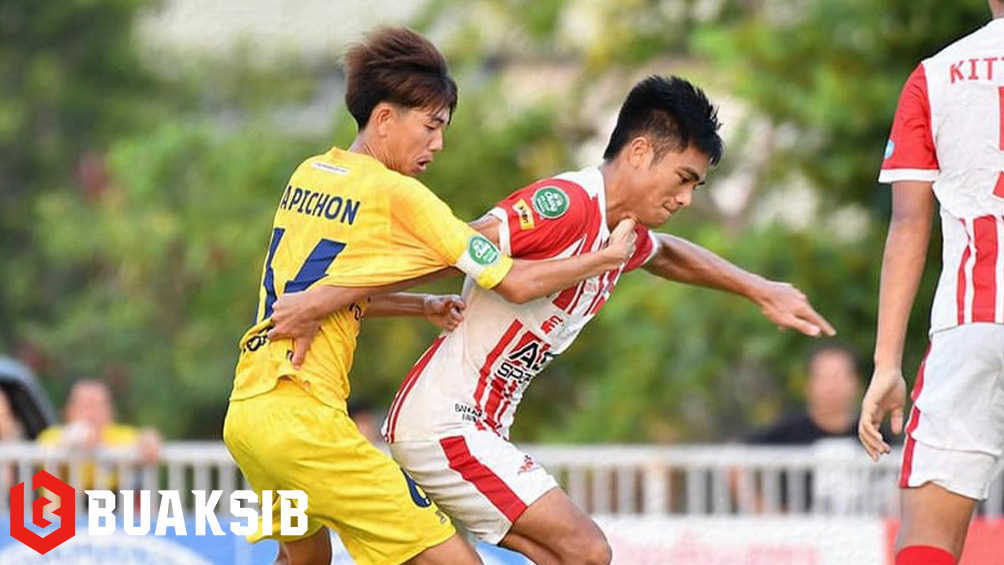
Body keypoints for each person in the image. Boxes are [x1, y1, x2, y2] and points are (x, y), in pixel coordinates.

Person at [272, 75, 836, 565]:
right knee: (586, 550)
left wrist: (759, 288)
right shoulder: (565, 206)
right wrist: (327, 299)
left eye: (695, 186)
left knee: (566, 555)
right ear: (640, 152)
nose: (686, 198)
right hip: (445, 424)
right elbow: (453, 247)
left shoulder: (620, 233)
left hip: (475, 428)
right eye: (684, 178)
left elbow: (666, 255)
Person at [223, 27, 639, 565]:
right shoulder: (400, 194)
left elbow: (319, 293)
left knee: (304, 561)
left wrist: (418, 304)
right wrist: (605, 257)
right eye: (431, 125)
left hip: (250, 411)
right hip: (307, 421)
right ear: (385, 118)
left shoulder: (311, 173)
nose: (438, 144)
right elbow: (512, 281)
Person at [858, 3, 1004, 563]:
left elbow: (908, 224)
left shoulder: (935, 74)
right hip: (969, 321)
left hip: (971, 322)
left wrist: (886, 364)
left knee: (928, 538)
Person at [37, 380, 161, 488]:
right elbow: (48, 447)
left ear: (110, 412)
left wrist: (149, 438)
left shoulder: (117, 434)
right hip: (66, 505)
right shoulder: (53, 435)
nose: (92, 413)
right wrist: (75, 438)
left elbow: (145, 438)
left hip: (110, 504)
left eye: (99, 405)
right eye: (85, 406)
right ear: (69, 411)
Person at [749, 342, 862, 445]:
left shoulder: (870, 434)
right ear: (808, 383)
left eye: (839, 377)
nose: (832, 386)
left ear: (856, 382)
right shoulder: (781, 435)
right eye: (824, 377)